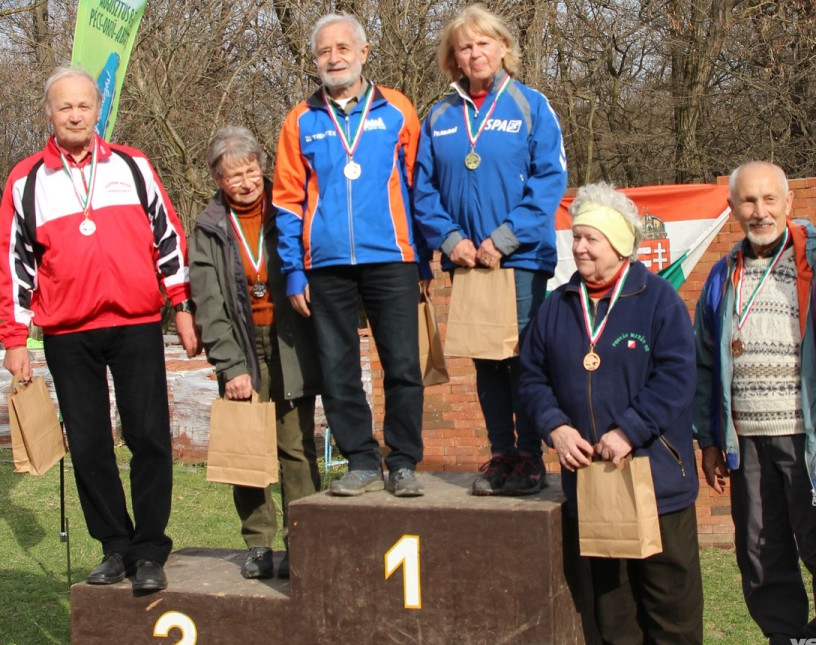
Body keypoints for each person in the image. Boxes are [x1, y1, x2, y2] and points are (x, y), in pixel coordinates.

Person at [0, 66, 198, 592]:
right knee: (88, 445)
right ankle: (116, 546)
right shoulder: (26, 180)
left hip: (135, 323)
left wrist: (180, 302)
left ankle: (151, 548)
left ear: (96, 110)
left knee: (149, 437)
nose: (74, 114)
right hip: (67, 334)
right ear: (49, 113)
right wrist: (14, 340)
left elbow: (168, 236)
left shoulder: (133, 165)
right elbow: (15, 264)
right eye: (64, 106)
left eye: (83, 105)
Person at [693, 161, 816, 645]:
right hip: (747, 445)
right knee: (761, 556)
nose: (759, 212)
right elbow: (703, 364)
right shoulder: (722, 277)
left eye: (769, 200)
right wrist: (710, 438)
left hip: (812, 443)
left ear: (789, 203)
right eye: (748, 202)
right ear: (733, 208)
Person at [519, 182, 703, 645]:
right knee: (615, 618)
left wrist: (629, 430)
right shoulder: (555, 307)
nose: (579, 246)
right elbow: (532, 379)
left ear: (619, 244)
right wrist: (556, 428)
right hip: (592, 486)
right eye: (576, 237)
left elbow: (677, 378)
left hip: (656, 483)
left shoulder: (659, 300)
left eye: (591, 238)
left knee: (672, 618)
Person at [414, 3, 567, 496]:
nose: (475, 53)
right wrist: (452, 241)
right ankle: (501, 453)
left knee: (522, 358)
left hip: (517, 258)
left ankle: (530, 456)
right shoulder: (438, 115)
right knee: (485, 360)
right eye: (465, 46)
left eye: (484, 43)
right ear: (453, 58)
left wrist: (502, 240)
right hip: (466, 260)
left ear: (503, 47)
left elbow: (549, 181)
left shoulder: (531, 105)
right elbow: (422, 189)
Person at [273, 13, 428, 497]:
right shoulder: (300, 119)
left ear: (363, 52)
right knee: (338, 367)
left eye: (343, 48)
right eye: (324, 51)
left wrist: (422, 260)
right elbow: (285, 200)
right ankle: (361, 460)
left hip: (392, 258)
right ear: (315, 60)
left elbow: (419, 186)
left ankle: (402, 461)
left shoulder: (397, 109)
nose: (334, 57)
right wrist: (293, 272)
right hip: (327, 265)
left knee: (402, 364)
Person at [189, 126, 322, 579]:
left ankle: (304, 540)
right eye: (233, 176)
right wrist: (230, 366)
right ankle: (259, 544)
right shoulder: (208, 226)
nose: (245, 183)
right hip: (243, 346)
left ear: (262, 168)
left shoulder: (288, 203)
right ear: (216, 179)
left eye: (250, 171)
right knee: (248, 450)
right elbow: (208, 300)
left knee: (296, 448)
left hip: (291, 340)